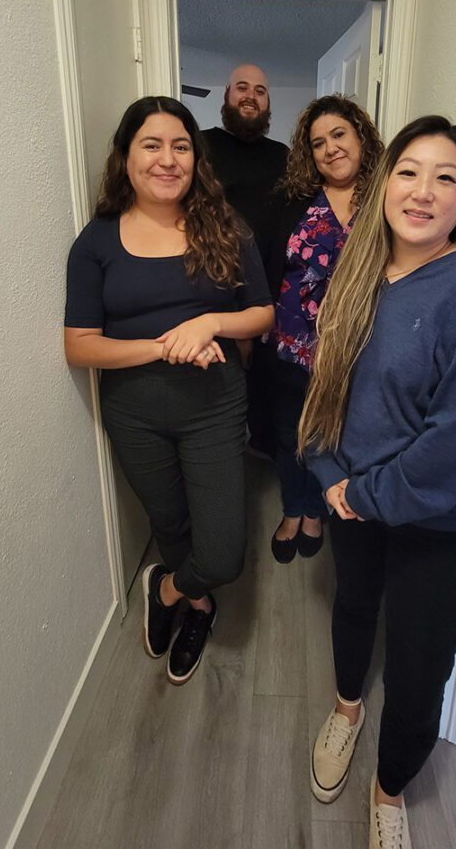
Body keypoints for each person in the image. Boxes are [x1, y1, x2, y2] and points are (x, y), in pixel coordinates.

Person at [299, 116, 456, 849]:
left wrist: (358, 493)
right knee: (353, 607)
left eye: (445, 177)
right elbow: (325, 391)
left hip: (436, 521)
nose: (422, 191)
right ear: (384, 181)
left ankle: (388, 786)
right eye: (408, 170)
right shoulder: (355, 274)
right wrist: (331, 475)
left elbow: (450, 447)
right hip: (349, 498)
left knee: (420, 672)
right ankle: (346, 708)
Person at [64, 96, 274, 685]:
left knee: (223, 550)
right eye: (151, 145)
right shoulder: (97, 243)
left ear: (195, 158)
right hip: (134, 411)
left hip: (215, 404)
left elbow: (261, 313)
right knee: (171, 521)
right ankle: (199, 607)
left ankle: (169, 586)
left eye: (180, 146)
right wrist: (163, 345)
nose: (167, 159)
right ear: (126, 158)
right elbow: (79, 345)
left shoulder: (226, 227)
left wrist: (210, 323)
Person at [264, 95, 383, 564]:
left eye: (339, 135)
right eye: (318, 143)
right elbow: (272, 264)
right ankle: (292, 509)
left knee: (329, 437)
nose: (330, 148)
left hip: (351, 351)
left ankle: (316, 511)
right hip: (290, 344)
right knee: (289, 433)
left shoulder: (384, 198)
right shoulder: (294, 200)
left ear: (360, 137)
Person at [200, 64, 289, 457]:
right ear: (226, 96)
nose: (251, 95)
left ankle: (266, 451)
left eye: (260, 90)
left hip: (274, 287)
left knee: (272, 387)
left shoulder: (283, 156)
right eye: (242, 88)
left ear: (269, 104)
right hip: (215, 289)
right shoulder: (200, 147)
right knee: (221, 388)